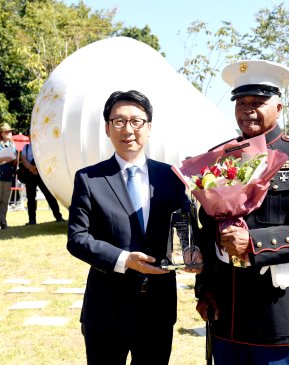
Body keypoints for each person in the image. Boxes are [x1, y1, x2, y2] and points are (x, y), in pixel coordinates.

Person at [194, 60, 289, 364]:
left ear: (279, 107)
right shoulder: (222, 156)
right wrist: (204, 288)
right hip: (228, 313)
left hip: (279, 314)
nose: (248, 109)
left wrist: (255, 243)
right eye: (241, 102)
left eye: (258, 102)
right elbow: (207, 229)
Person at [67, 90, 193, 365]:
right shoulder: (90, 178)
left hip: (157, 309)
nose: (128, 129)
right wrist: (125, 260)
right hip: (106, 309)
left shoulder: (171, 177)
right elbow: (77, 238)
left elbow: (183, 225)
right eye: (119, 121)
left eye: (137, 121)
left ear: (148, 127)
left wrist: (192, 252)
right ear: (107, 128)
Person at [20, 136, 64, 225]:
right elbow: (23, 159)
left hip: (42, 174)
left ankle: (58, 216)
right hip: (30, 174)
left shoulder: (43, 146)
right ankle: (32, 220)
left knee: (49, 195)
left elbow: (45, 158)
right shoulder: (26, 147)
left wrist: (35, 168)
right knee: (31, 198)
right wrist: (30, 168)